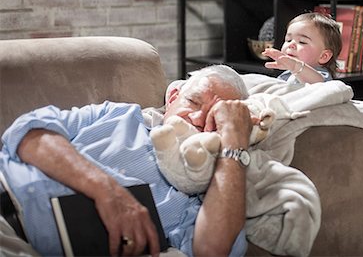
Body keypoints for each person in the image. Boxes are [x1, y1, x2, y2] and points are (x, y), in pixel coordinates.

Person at [0, 65, 253, 257]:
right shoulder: (118, 114)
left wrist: (234, 140)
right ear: (173, 95)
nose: (198, 118)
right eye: (193, 102)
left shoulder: (206, 194)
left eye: (213, 118)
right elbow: (28, 132)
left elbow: (213, 250)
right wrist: (106, 189)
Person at [263, 12, 342, 84]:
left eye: (302, 42)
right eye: (288, 40)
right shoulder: (287, 74)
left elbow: (317, 84)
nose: (291, 45)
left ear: (323, 56)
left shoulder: (320, 75)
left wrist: (295, 66)